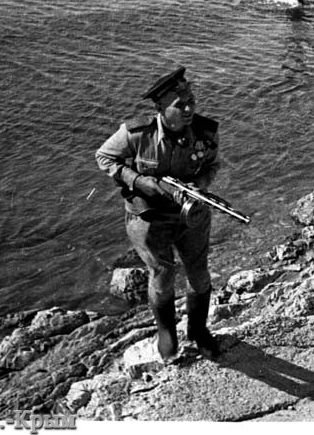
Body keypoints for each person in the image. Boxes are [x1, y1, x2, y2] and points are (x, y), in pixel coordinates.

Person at [94, 67, 222, 362]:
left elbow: (213, 165)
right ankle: (166, 332)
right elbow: (104, 157)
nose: (189, 109)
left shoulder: (205, 132)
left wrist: (200, 184)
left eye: (191, 101)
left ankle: (199, 330)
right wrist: (138, 181)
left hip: (191, 215)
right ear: (161, 108)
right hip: (149, 219)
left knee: (199, 273)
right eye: (180, 105)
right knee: (162, 275)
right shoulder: (137, 134)